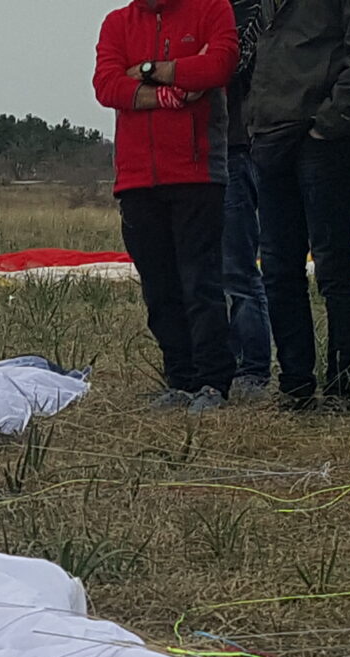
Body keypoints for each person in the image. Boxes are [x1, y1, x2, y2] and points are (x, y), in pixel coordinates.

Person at [246, 0, 350, 413]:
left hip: (325, 139)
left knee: (333, 267)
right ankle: (294, 387)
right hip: (271, 132)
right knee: (277, 269)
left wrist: (331, 122)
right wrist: (253, 116)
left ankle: (341, 391)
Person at [94, 0, 241, 414]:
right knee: (159, 289)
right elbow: (106, 86)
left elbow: (217, 67)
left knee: (201, 284)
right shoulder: (117, 23)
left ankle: (213, 382)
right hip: (137, 180)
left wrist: (144, 71)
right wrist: (173, 86)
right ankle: (180, 379)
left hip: (198, 175)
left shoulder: (212, 9)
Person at [220, 0, 271, 401]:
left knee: (238, 270)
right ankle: (213, 367)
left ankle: (253, 367)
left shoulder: (253, 11)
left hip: (236, 148)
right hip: (196, 152)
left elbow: (228, 69)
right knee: (201, 272)